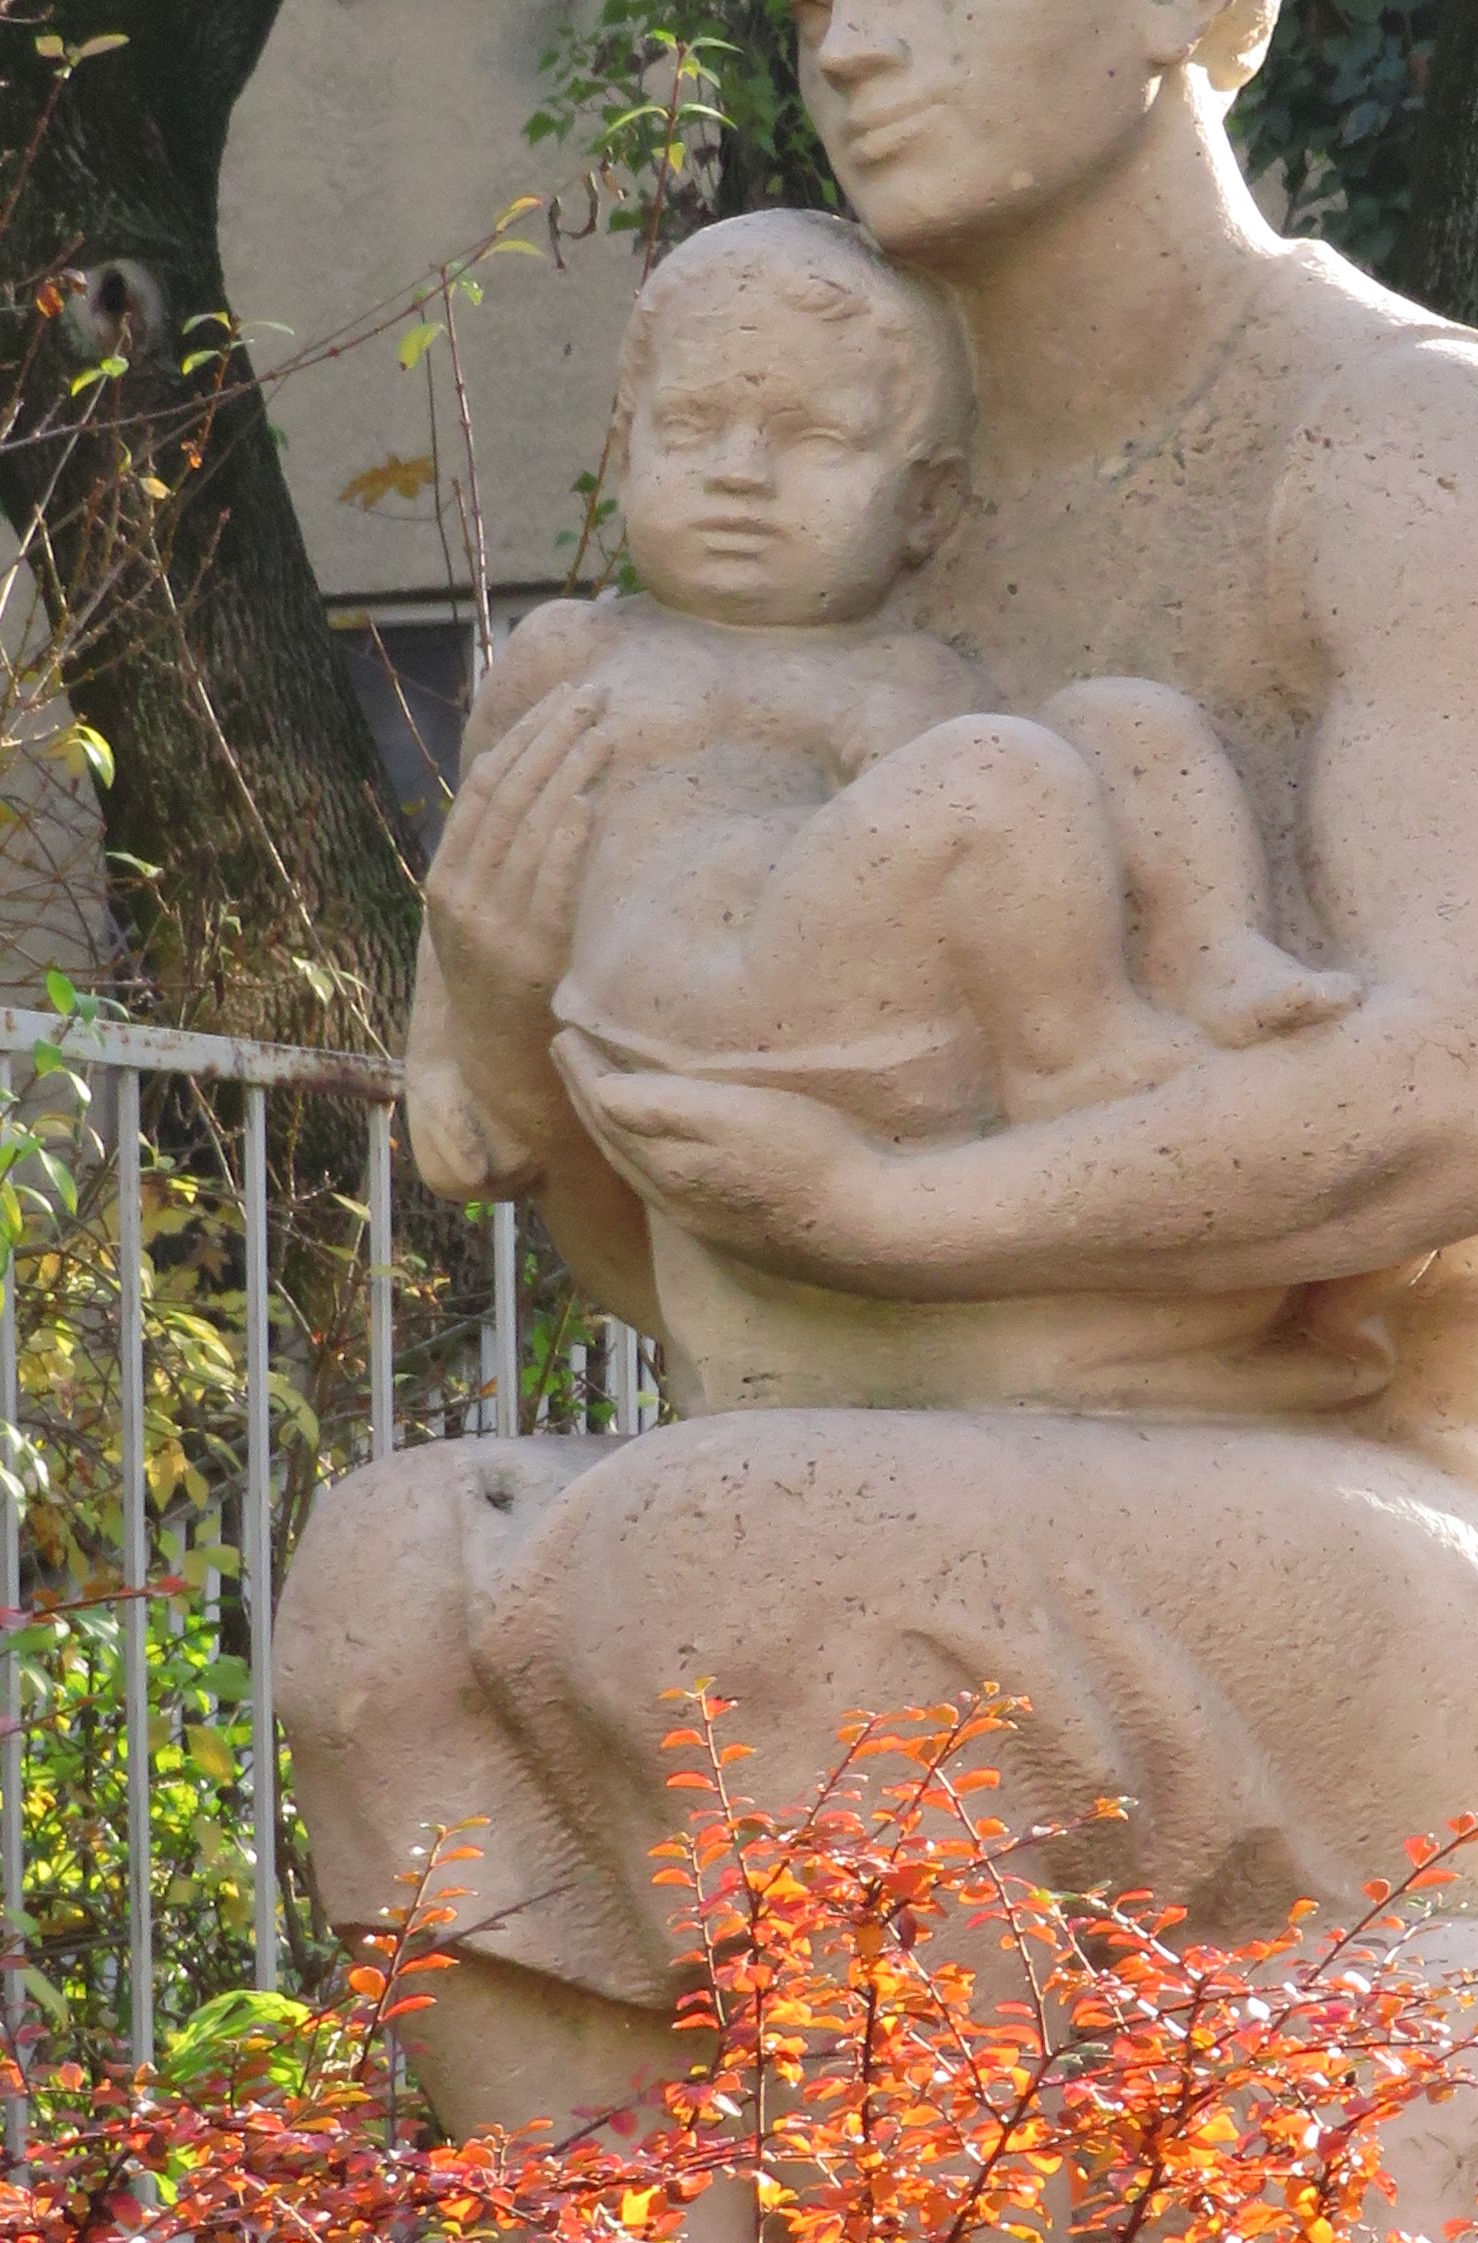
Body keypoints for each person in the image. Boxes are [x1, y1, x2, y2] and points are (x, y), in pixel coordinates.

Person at [283, 0, 1478, 2145]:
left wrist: (896, 1205)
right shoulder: (852, 519)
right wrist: (520, 1022)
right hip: (970, 1464)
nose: (852, 42)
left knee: (721, 1558)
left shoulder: (1410, 438)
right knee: (385, 1594)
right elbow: (738, 1271)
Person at [413, 204, 1359, 1415]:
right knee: (998, 770)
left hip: (857, 1011)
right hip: (693, 1004)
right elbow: (471, 886)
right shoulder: (577, 652)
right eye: (692, 427)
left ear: (927, 508)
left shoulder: (909, 671)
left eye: (808, 437)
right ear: (627, 447)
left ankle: (1213, 954)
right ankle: (1077, 1058)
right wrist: (442, 1058)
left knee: (1125, 721)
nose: (738, 473)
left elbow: (997, 883)